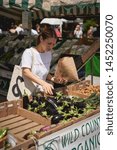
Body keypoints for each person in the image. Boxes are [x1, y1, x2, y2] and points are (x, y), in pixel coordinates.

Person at [20, 24, 64, 95]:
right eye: (49, 43)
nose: (51, 47)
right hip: (27, 92)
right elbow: (26, 72)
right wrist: (43, 83)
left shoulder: (48, 54)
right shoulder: (29, 52)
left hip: (40, 93)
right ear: (41, 39)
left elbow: (44, 72)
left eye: (53, 44)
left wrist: (53, 79)